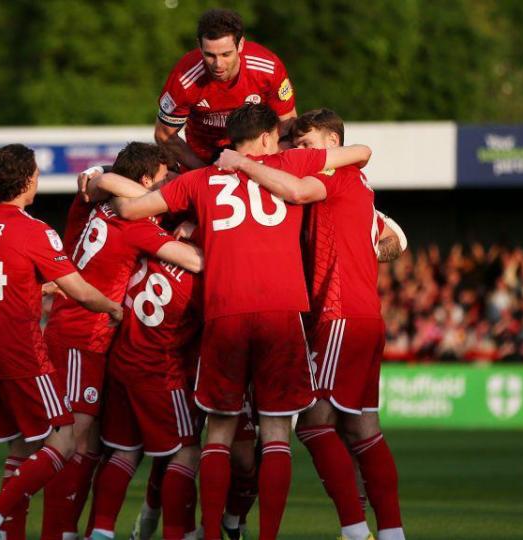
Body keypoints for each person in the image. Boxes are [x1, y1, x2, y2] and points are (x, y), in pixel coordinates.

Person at [113, 103, 372, 540]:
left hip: (225, 312)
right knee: (275, 434)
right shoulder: (290, 161)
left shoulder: (198, 180)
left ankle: (212, 533)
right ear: (270, 137)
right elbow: (360, 152)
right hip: (281, 312)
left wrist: (104, 180)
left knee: (219, 432)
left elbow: (132, 211)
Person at [221, 107, 406, 540]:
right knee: (363, 428)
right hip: (364, 316)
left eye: (308, 145)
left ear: (332, 145)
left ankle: (355, 530)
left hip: (340, 313)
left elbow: (298, 191)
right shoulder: (359, 183)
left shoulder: (335, 175)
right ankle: (392, 531)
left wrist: (243, 163)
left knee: (315, 425)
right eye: (296, 144)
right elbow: (391, 236)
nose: (302, 152)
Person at [41, 142, 205, 540]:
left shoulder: (88, 204)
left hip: (99, 342)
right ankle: (52, 530)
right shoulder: (138, 225)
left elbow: (101, 181)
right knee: (74, 442)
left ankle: (92, 531)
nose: (168, 188)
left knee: (103, 447)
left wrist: (101, 175)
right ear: (148, 180)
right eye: (164, 180)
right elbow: (197, 262)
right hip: (87, 331)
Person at [0, 144, 124, 540]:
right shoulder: (33, 229)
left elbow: (0, 277)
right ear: (27, 178)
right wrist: (114, 309)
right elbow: (82, 292)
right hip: (23, 349)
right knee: (64, 440)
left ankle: (2, 531)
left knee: (18, 449)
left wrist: (36, 285)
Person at [86, 253, 202, 540]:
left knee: (125, 452)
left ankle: (101, 531)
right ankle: (177, 534)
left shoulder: (149, 253)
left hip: (122, 363)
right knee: (186, 452)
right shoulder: (200, 269)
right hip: (160, 372)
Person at [155, 8, 297, 170]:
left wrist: (272, 166)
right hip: (203, 158)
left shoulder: (268, 69)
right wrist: (205, 173)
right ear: (199, 46)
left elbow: (287, 123)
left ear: (241, 44)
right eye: (210, 55)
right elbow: (164, 134)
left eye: (226, 54)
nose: (218, 64)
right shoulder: (184, 79)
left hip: (259, 157)